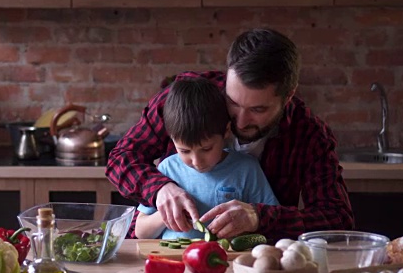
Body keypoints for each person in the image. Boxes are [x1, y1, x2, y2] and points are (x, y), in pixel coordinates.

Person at [106, 28, 354, 243]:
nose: (240, 120)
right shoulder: (185, 101)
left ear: (288, 97)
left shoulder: (309, 135)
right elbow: (121, 158)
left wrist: (260, 217)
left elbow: (337, 220)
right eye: (233, 102)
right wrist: (160, 189)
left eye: (258, 109)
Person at [135, 78, 279, 240]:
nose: (196, 161)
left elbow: (272, 223)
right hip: (173, 260)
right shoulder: (167, 169)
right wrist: (166, 214)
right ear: (172, 139)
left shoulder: (247, 169)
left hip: (228, 261)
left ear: (226, 132)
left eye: (206, 149)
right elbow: (140, 231)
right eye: (184, 150)